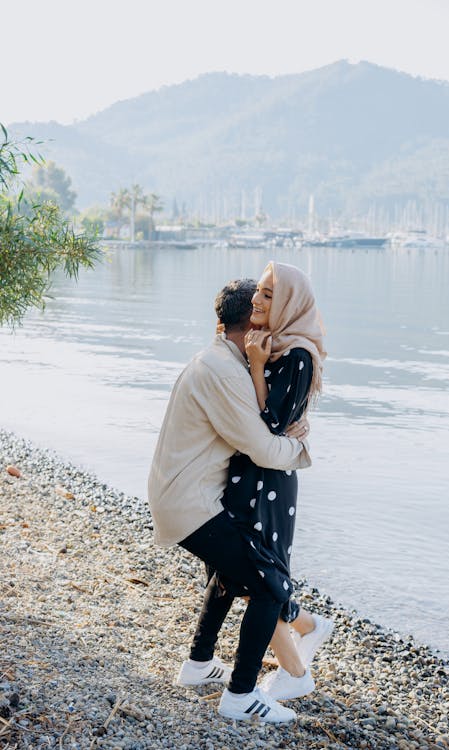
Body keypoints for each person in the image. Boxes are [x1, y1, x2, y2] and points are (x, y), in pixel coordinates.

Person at [148, 279, 312, 723]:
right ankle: (240, 695)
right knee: (268, 586)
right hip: (191, 504)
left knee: (227, 574)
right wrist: (300, 448)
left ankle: (199, 665)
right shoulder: (224, 371)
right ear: (252, 330)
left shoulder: (215, 359)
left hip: (185, 497)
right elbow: (260, 445)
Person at [218, 261, 333, 702]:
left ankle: (296, 672)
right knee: (254, 572)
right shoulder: (275, 345)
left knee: (259, 576)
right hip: (254, 471)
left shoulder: (297, 355)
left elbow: (269, 422)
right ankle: (309, 626)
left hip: (270, 478)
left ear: (288, 302)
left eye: (268, 294)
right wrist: (258, 358)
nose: (257, 300)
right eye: (259, 292)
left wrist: (255, 363)